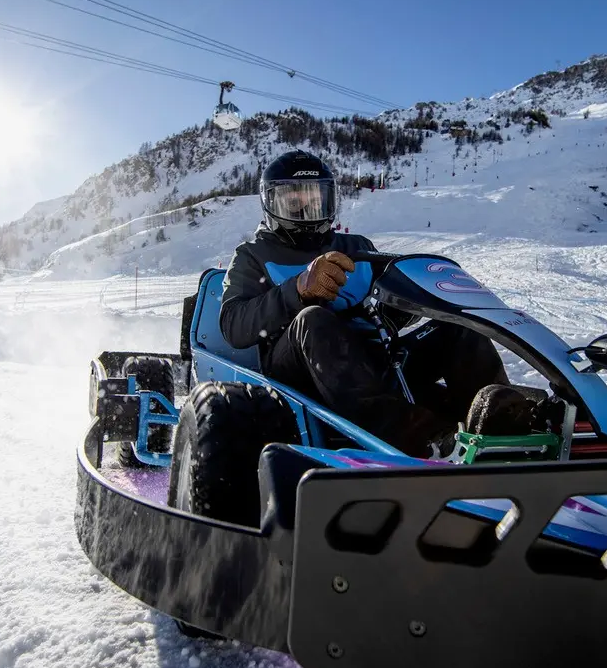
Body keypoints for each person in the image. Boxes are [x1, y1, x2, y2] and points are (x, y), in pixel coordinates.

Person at [218, 149, 509, 457]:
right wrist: (298, 290)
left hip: (373, 361)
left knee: (457, 327)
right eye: (293, 202)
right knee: (313, 318)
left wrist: (408, 305)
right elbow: (234, 325)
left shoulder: (356, 247)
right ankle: (422, 438)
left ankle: (500, 421)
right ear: (270, 203)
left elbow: (386, 312)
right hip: (300, 370)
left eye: (316, 200)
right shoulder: (252, 255)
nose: (306, 210)